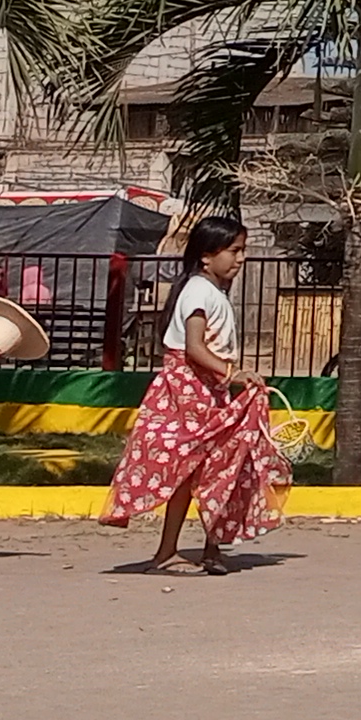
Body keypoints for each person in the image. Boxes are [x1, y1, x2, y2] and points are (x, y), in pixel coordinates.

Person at [98, 217, 286, 572]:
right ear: (206, 256)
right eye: (234, 251)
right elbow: (194, 348)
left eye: (242, 250)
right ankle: (173, 551)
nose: (241, 258)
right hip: (189, 393)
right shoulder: (199, 291)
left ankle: (206, 548)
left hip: (208, 391)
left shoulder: (211, 292)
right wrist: (233, 374)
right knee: (200, 468)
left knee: (215, 467)